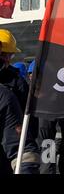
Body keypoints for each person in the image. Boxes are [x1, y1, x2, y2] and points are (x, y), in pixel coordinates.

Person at [0, 34, 40, 174]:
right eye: (7, 55)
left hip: (12, 144)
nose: (7, 59)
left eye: (9, 56)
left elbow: (29, 116)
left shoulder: (15, 85)